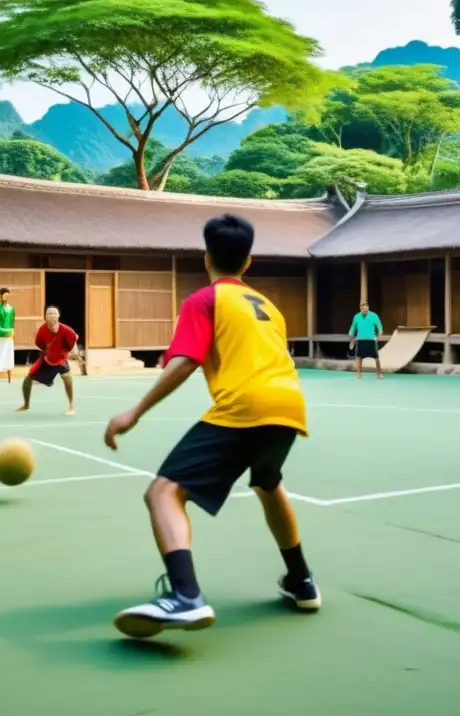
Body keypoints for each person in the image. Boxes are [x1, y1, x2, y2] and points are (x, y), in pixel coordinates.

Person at [103, 213, 319, 640]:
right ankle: (301, 581)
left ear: (207, 257)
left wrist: (135, 411)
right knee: (268, 483)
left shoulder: (205, 300)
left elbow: (185, 361)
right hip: (290, 405)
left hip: (245, 405)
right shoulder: (269, 308)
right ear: (248, 262)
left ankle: (185, 596)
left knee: (163, 492)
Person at [18, 306, 78, 415]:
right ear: (45, 317)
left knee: (67, 377)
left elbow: (73, 342)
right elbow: (40, 344)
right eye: (49, 313)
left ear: (58, 316)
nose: (52, 316)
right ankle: (26, 405)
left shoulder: (66, 330)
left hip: (61, 358)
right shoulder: (42, 330)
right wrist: (49, 352)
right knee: (27, 380)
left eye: (55, 313)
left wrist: (74, 353)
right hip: (47, 358)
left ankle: (71, 406)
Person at [348, 301, 383, 380]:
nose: (365, 309)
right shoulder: (356, 316)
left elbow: (379, 325)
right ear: (360, 308)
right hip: (360, 340)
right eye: (363, 307)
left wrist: (380, 332)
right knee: (358, 358)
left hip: (371, 340)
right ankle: (359, 374)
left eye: (366, 307)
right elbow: (353, 327)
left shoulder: (374, 316)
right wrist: (351, 333)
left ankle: (379, 373)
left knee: (376, 358)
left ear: (368, 307)